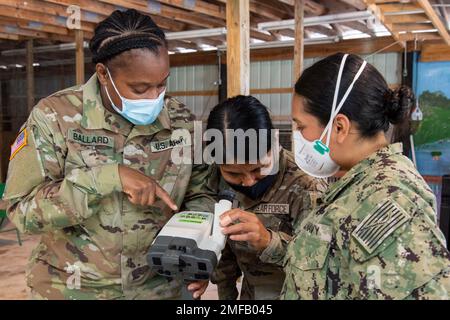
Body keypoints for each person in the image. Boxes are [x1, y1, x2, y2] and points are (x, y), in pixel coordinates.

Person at [3, 9, 214, 300]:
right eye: (140, 88)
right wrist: (107, 178)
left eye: (162, 83)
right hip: (72, 289)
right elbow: (22, 211)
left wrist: (195, 252)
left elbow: (201, 195)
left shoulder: (182, 123)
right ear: (103, 74)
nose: (155, 97)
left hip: (160, 289)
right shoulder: (54, 117)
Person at [282, 52, 450, 300]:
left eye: (301, 126)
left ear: (339, 127)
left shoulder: (387, 196)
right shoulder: (362, 185)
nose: (298, 136)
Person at [188, 95, 327, 300]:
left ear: (274, 144)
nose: (248, 182)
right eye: (233, 174)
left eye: (258, 169)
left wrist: (268, 240)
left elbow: (322, 260)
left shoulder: (305, 184)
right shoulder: (213, 179)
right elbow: (223, 251)